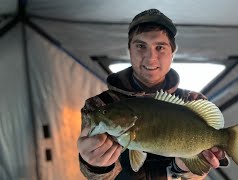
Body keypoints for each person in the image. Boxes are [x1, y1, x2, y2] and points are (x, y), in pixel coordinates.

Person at [77, 8, 228, 180]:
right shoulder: (99, 106)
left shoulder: (193, 101)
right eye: (141, 46)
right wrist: (94, 165)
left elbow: (197, 176)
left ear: (172, 53)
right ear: (130, 50)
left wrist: (182, 168)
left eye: (160, 47)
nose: (150, 58)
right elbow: (96, 177)